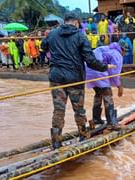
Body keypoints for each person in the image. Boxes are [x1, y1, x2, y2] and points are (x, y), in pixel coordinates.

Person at [41, 12, 116, 149]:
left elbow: (43, 46)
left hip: (56, 78)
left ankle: (56, 142)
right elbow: (90, 60)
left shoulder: (52, 34)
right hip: (74, 78)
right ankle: (83, 137)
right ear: (76, 22)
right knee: (79, 110)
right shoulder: (80, 36)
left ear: (64, 21)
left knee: (58, 110)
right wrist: (105, 66)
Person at [86, 43, 124, 130]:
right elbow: (114, 73)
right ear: (122, 50)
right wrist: (119, 86)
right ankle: (111, 123)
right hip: (98, 70)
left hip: (89, 71)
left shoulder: (105, 48)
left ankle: (96, 118)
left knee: (99, 93)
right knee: (107, 95)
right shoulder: (117, 54)